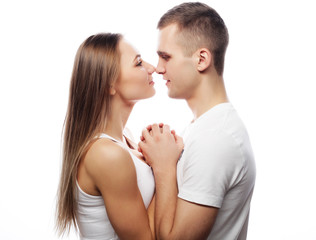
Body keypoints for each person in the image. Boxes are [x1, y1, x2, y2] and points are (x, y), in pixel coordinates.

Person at [139, 2, 256, 240]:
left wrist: (163, 166)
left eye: (166, 57)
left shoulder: (215, 138)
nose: (159, 68)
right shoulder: (205, 127)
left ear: (201, 59)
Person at [56, 33, 157, 240]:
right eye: (138, 63)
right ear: (110, 84)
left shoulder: (124, 139)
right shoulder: (107, 154)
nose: (152, 68)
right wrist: (165, 168)